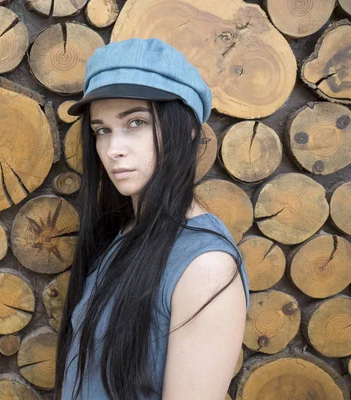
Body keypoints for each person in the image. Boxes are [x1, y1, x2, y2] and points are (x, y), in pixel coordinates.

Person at [54, 38, 251, 400]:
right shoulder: (125, 233)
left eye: (136, 122)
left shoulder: (206, 268)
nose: (113, 149)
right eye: (102, 130)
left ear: (189, 129)